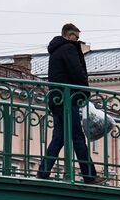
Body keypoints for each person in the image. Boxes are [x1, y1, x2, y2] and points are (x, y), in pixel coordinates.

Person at [37, 23, 102, 184]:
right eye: (76, 37)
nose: (78, 41)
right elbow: (77, 72)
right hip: (68, 100)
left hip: (57, 99)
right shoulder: (68, 48)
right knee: (78, 137)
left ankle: (43, 172)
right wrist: (85, 92)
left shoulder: (56, 50)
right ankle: (89, 175)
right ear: (68, 35)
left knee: (59, 137)